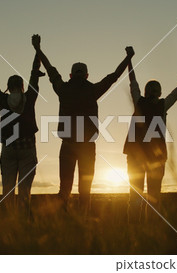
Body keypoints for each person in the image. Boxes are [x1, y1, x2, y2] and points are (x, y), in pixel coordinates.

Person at [31, 34, 134, 214]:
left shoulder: (63, 89)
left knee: (65, 188)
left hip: (68, 146)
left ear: (71, 75)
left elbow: (50, 69)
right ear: (87, 75)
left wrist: (38, 49)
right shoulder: (92, 90)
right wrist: (128, 58)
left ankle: (63, 222)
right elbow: (114, 76)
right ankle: (83, 221)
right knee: (85, 190)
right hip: (87, 147)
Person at [124, 52, 177, 223]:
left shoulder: (140, 102)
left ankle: (136, 231)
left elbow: (132, 81)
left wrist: (129, 60)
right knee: (152, 196)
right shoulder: (162, 104)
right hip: (152, 157)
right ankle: (148, 231)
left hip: (138, 157)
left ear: (147, 91)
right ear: (158, 92)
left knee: (138, 196)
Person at [0, 41, 45, 219]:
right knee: (25, 192)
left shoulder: (2, 99)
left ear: (8, 87)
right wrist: (37, 51)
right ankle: (23, 224)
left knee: (7, 191)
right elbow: (34, 76)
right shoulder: (29, 98)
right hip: (27, 150)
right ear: (22, 87)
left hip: (8, 150)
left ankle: (8, 226)